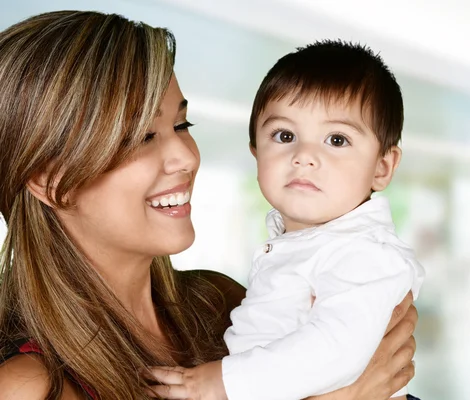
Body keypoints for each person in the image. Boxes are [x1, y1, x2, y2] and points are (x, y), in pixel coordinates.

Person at [0, 10, 418, 400]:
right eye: (143, 137)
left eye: (182, 125)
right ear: (50, 181)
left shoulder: (220, 302)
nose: (187, 157)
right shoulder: (28, 386)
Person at [148, 41, 424, 400]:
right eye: (285, 136)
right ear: (256, 152)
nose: (304, 156)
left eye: (337, 140)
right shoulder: (307, 244)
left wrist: (222, 383)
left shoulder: (364, 253)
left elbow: (337, 349)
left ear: (382, 167)